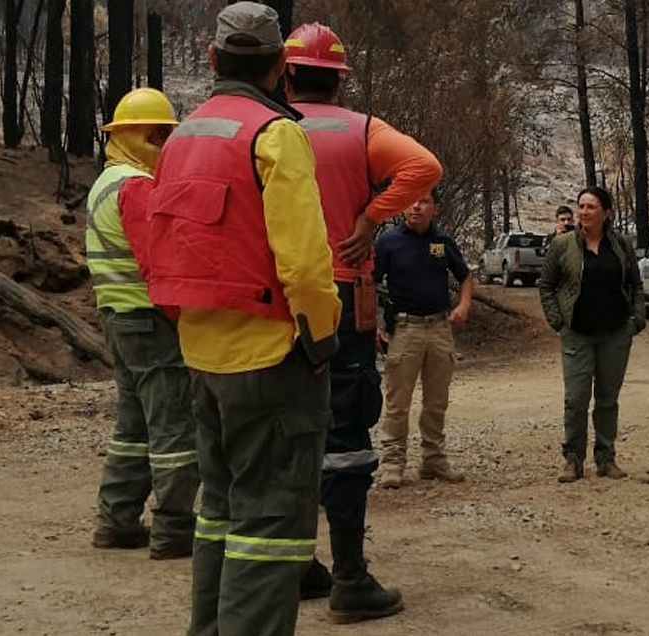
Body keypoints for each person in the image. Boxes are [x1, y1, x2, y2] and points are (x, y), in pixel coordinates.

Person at [138, 4, 341, 635]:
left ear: (211, 58)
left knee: (218, 518)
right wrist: (321, 339)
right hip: (272, 359)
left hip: (202, 358)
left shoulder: (183, 137)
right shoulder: (276, 135)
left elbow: (161, 246)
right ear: (280, 65)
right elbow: (306, 265)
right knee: (272, 529)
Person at [283, 21, 441, 622]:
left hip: (277, 301)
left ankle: (296, 565)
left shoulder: (269, 128)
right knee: (345, 430)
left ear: (289, 73)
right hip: (344, 298)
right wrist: (371, 216)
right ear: (339, 83)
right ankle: (350, 579)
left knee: (290, 429)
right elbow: (425, 166)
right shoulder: (360, 129)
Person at [87, 88, 199, 560]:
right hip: (148, 319)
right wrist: (184, 318)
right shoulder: (134, 185)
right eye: (156, 134)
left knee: (133, 425)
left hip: (118, 317)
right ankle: (174, 527)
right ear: (136, 136)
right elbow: (157, 262)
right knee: (173, 423)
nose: (162, 142)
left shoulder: (105, 181)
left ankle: (117, 519)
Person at [538, 186, 645, 483]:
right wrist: (557, 321)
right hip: (577, 333)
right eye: (580, 206)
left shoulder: (621, 245)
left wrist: (636, 320)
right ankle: (573, 459)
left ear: (606, 213)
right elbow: (545, 285)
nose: (584, 212)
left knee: (608, 399)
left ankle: (606, 458)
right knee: (576, 399)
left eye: (591, 207)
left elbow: (636, 285)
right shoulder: (562, 245)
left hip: (615, 333)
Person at [374, 189, 473, 489]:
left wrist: (464, 305)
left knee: (436, 399)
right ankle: (392, 463)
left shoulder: (441, 242)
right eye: (411, 201)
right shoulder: (388, 242)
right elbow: (371, 282)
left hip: (440, 327)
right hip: (405, 329)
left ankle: (433, 460)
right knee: (397, 400)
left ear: (435, 208)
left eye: (424, 201)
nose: (416, 207)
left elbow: (465, 276)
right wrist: (375, 325)